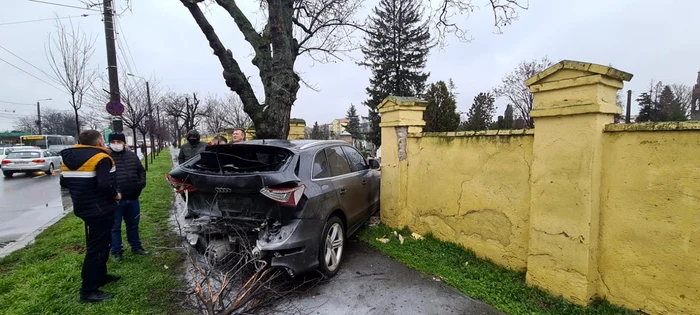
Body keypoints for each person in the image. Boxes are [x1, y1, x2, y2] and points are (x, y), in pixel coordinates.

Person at [60, 130, 121, 303]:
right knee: (97, 248)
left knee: (101, 242)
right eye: (102, 139)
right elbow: (104, 184)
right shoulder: (101, 157)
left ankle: (100, 276)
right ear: (99, 142)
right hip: (100, 208)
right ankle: (88, 291)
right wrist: (115, 194)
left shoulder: (69, 157)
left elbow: (64, 182)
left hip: (83, 206)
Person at [107, 133, 149, 262]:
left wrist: (141, 184)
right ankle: (116, 251)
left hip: (133, 197)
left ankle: (136, 246)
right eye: (113, 141)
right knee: (115, 227)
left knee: (133, 224)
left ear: (124, 143)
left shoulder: (132, 156)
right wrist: (113, 192)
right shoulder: (107, 158)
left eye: (119, 141)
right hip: (116, 200)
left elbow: (141, 171)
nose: (116, 144)